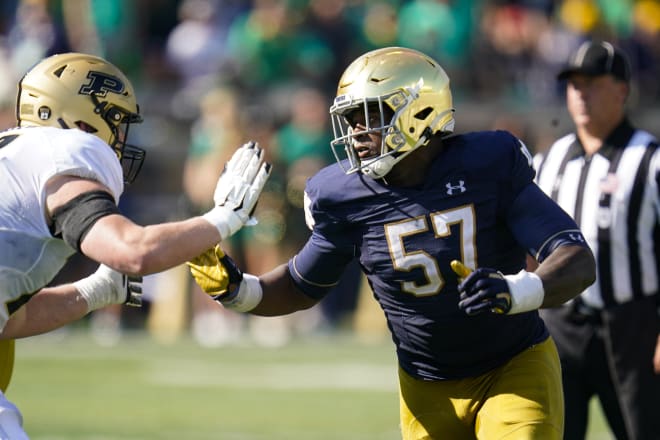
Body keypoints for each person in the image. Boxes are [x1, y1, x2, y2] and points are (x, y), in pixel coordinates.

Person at [188, 46, 596, 439]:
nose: (356, 132)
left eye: (367, 116)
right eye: (349, 119)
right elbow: (300, 285)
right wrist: (239, 290)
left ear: (419, 109)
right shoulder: (344, 195)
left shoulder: (488, 164)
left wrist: (514, 290)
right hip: (424, 384)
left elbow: (575, 259)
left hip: (512, 365)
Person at [0, 52, 270, 438]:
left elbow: (11, 319)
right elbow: (133, 250)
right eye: (115, 118)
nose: (121, 136)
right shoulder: (67, 151)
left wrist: (92, 291)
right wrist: (224, 217)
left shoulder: (14, 153)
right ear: (79, 119)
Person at [533, 40, 660, 440]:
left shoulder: (650, 160)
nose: (581, 93)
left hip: (633, 325)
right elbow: (530, 248)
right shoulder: (549, 160)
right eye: (574, 84)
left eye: (592, 83)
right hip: (560, 326)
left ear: (622, 90)